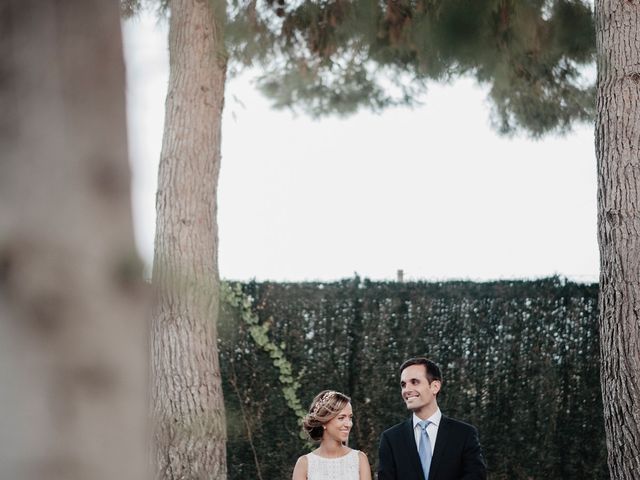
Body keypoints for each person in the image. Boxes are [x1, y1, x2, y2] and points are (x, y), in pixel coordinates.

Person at [377, 358, 487, 480]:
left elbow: (476, 476)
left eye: (414, 382)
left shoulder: (464, 434)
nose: (406, 390)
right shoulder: (391, 439)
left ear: (435, 386)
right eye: (403, 384)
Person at [292, 390, 372, 480]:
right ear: (324, 422)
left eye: (350, 417)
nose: (349, 424)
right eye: (341, 418)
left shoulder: (360, 459)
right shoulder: (304, 464)